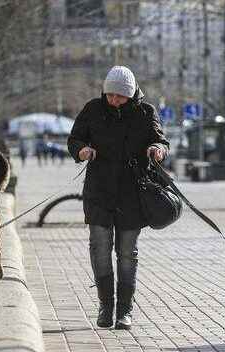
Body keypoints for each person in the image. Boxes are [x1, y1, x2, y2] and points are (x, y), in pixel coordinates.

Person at [67, 66, 169, 330]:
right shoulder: (93, 109)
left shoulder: (145, 113)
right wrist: (82, 150)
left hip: (132, 193)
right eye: (110, 95)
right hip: (99, 191)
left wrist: (157, 149)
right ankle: (105, 306)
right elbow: (74, 139)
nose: (113, 100)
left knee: (127, 252)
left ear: (131, 94)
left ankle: (125, 310)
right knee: (100, 248)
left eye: (120, 96)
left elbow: (162, 141)